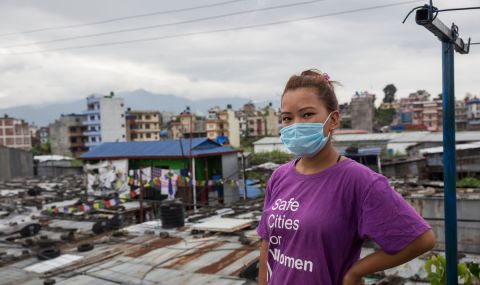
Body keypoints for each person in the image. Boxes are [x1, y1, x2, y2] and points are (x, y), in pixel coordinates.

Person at [256, 69, 435, 285]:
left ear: (333, 120)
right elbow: (267, 243)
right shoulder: (279, 177)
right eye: (287, 118)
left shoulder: (360, 182)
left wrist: (355, 272)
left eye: (307, 114)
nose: (295, 125)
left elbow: (421, 240)